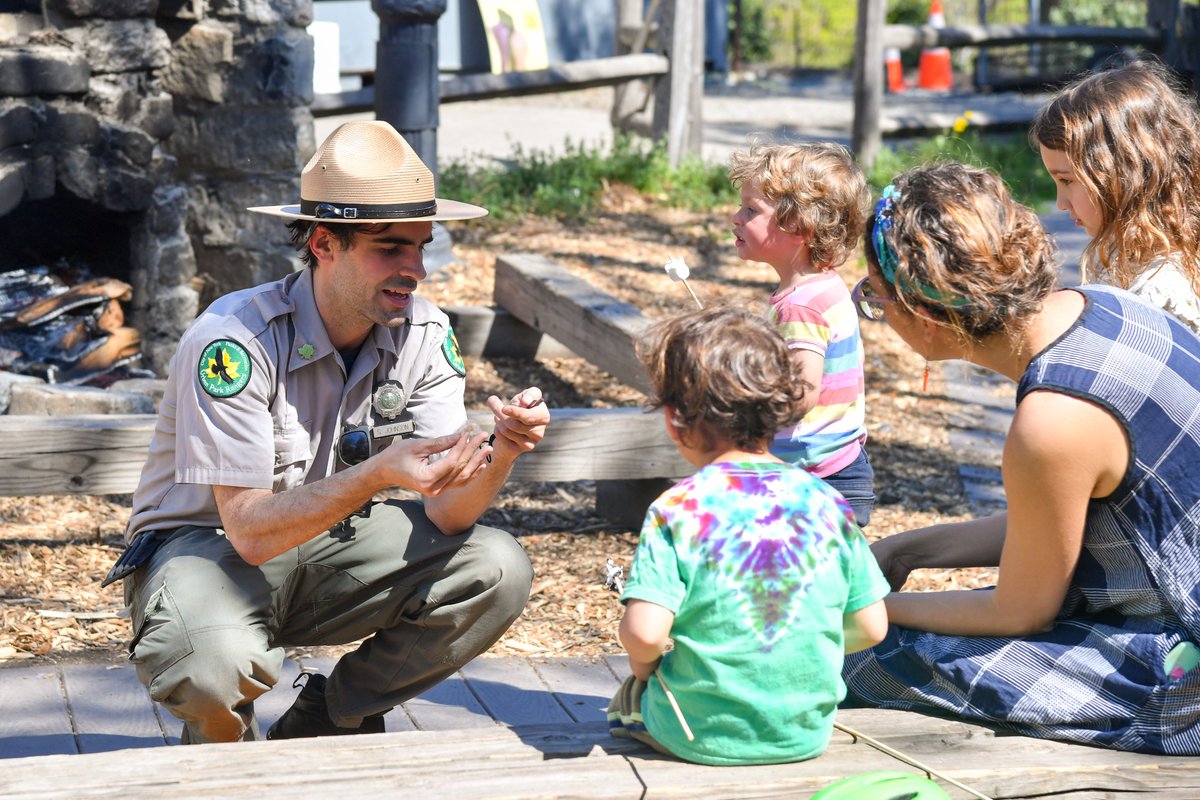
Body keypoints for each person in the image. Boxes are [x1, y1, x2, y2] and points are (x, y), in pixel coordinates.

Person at [103, 120, 549, 744]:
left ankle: (332, 717)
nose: (416, 269)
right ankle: (225, 762)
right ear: (323, 244)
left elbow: (449, 514)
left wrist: (503, 451)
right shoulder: (234, 341)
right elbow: (249, 533)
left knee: (496, 566)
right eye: (390, 249)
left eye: (421, 246)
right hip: (206, 549)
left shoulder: (424, 333)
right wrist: (378, 473)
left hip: (330, 541)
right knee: (212, 667)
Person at [842, 162, 1200, 755]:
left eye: (876, 298)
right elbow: (1063, 521)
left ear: (926, 317)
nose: (875, 311)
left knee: (860, 658)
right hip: (1167, 596)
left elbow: (1021, 612)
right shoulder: (1106, 304)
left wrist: (872, 611)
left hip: (1177, 671)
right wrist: (908, 550)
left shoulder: (1054, 421)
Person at [607, 306, 890, 765]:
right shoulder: (829, 503)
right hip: (805, 734)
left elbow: (643, 634)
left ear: (674, 419)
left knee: (628, 702)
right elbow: (872, 627)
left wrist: (646, 670)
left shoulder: (678, 509)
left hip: (697, 735)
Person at [727, 141, 876, 525]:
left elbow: (802, 393)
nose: (736, 217)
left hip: (814, 482)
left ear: (799, 226)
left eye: (750, 210)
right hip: (839, 467)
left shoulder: (799, 306)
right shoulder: (826, 285)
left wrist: (742, 401)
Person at [1030, 58, 1200, 334]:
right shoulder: (1122, 260)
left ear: (1124, 174)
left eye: (1067, 180)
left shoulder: (1158, 293)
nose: (1061, 204)